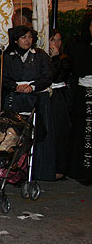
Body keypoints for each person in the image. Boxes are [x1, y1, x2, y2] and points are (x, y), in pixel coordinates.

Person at [2, 26, 54, 181]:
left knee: (38, 135)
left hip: (36, 99)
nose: (27, 40)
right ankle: (14, 172)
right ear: (16, 40)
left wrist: (32, 87)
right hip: (16, 98)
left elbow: (47, 76)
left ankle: (38, 171)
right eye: (23, 37)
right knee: (14, 135)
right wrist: (15, 87)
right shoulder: (8, 57)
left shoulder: (40, 55)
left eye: (30, 37)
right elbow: (2, 78)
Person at [69, 14, 92, 185]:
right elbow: (81, 68)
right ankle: (84, 170)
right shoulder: (79, 46)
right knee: (85, 132)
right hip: (86, 92)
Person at [48, 29, 71, 181]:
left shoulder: (64, 59)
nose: (56, 43)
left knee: (60, 131)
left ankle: (60, 168)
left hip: (59, 97)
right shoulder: (39, 57)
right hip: (46, 97)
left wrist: (56, 58)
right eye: (53, 40)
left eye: (59, 40)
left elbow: (56, 76)